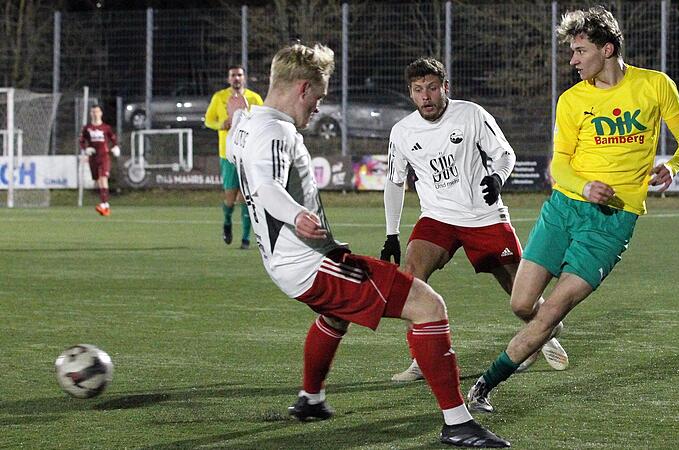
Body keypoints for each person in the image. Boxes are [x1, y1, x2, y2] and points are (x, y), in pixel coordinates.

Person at [226, 42, 510, 448]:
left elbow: (242, 131)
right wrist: (296, 216)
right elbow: (269, 187)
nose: (319, 108)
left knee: (334, 316)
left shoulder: (249, 122)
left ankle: (310, 399)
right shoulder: (275, 131)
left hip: (286, 261)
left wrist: (239, 116)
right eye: (319, 97)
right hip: (309, 262)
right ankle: (458, 423)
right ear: (303, 88)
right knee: (429, 306)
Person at [467, 5, 679, 413]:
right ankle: (544, 333)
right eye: (571, 52)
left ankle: (485, 386)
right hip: (563, 209)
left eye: (579, 51)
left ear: (607, 49)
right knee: (522, 305)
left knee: (553, 307)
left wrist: (673, 167)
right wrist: (583, 185)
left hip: (613, 223)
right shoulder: (572, 100)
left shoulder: (656, 86)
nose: (572, 60)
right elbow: (558, 164)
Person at [381, 57, 568, 383]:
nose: (426, 96)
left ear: (445, 88)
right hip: (437, 217)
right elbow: (395, 181)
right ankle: (421, 358)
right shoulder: (402, 132)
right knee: (410, 278)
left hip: (483, 215)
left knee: (520, 298)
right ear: (410, 94)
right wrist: (391, 234)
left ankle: (544, 330)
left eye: (432, 88)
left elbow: (505, 154)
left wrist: (496, 178)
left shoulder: (470, 114)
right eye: (418, 90)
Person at [205, 65, 264, 249]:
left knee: (247, 198)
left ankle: (245, 239)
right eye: (233, 75)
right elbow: (208, 120)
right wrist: (220, 124)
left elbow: (263, 121)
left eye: (239, 75)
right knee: (230, 197)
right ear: (228, 78)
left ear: (244, 77)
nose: (236, 78)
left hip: (248, 154)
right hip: (228, 154)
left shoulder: (254, 98)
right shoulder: (219, 97)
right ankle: (227, 221)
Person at [79, 104, 120, 216]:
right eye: (93, 112)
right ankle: (105, 206)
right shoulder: (87, 128)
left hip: (104, 156)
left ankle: (104, 204)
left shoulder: (106, 128)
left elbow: (113, 138)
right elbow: (81, 141)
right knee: (97, 180)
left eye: (97, 111)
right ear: (90, 114)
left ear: (101, 113)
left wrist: (116, 147)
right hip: (93, 157)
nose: (95, 114)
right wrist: (86, 149)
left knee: (103, 178)